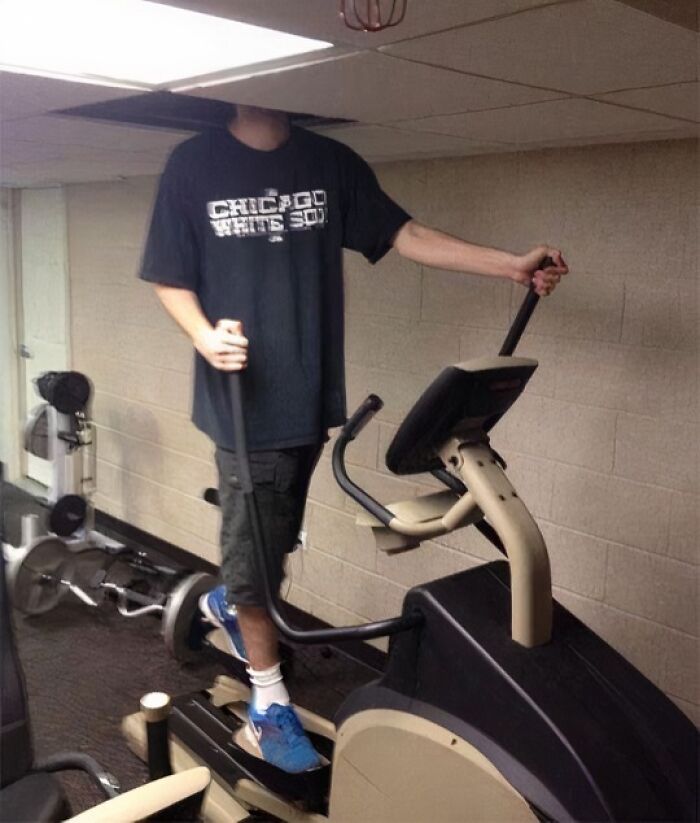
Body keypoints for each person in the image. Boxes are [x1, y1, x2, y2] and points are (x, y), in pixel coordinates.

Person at [140, 104, 568, 774]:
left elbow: (407, 233)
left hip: (308, 397)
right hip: (244, 404)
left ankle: (233, 598)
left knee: (274, 536)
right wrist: (202, 334)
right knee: (257, 553)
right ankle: (266, 705)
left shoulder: (328, 162)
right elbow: (170, 276)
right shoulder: (193, 164)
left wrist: (510, 266)